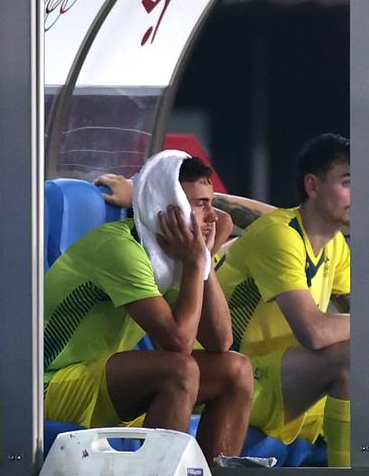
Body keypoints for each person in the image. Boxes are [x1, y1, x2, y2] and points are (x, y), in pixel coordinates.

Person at [97, 136, 369, 475]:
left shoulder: (332, 245)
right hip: (247, 382)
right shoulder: (278, 236)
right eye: (348, 182)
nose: (362, 194)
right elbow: (317, 332)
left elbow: (367, 322)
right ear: (312, 186)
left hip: (302, 386)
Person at [43, 151, 253, 462]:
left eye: (212, 204)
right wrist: (196, 263)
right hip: (48, 385)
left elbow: (220, 341)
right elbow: (179, 343)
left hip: (99, 381)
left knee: (236, 370)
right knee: (179, 371)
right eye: (200, 205)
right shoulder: (119, 249)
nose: (214, 217)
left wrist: (205, 261)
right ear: (167, 208)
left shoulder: (166, 257)